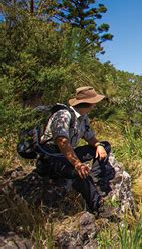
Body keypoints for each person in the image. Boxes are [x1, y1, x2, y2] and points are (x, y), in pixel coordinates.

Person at [38, 86, 115, 215]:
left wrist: (98, 145)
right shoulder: (63, 115)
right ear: (90, 103)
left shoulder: (83, 118)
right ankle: (97, 207)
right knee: (79, 174)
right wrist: (77, 164)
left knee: (105, 145)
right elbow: (62, 142)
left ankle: (95, 179)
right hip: (52, 157)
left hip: (67, 155)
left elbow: (90, 137)